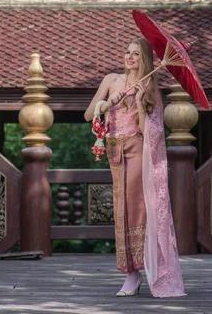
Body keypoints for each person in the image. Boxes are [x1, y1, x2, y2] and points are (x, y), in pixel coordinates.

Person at [84, 38, 185, 298]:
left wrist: (140, 100)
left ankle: (136, 271)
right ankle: (130, 271)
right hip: (114, 151)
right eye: (126, 52)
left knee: (137, 209)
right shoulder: (111, 80)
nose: (129, 58)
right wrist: (106, 104)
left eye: (136, 54)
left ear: (145, 60)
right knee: (120, 209)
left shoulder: (149, 88)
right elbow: (87, 115)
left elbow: (147, 129)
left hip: (138, 150)